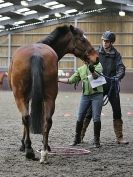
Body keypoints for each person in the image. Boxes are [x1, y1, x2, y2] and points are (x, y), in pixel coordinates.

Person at [81, 31, 128, 145]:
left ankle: (119, 137)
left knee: (117, 111)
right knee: (90, 111)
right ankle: (81, 135)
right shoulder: (96, 52)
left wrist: (118, 76)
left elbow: (121, 67)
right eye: (103, 40)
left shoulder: (116, 54)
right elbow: (88, 62)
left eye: (106, 41)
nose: (104, 43)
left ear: (111, 42)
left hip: (112, 85)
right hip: (99, 85)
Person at [58, 61, 103, 148]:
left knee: (96, 117)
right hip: (85, 96)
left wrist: (92, 70)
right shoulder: (80, 69)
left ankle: (96, 141)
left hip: (97, 95)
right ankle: (77, 139)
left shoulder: (98, 65)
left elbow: (95, 77)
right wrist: (58, 79)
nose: (85, 59)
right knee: (80, 116)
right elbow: (71, 80)